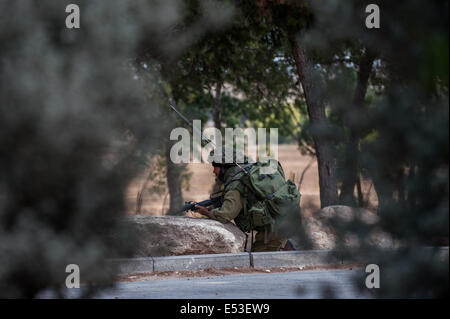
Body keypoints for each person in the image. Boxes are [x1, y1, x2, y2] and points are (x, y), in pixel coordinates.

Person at [194, 154, 288, 252]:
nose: (214, 171)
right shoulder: (247, 174)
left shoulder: (236, 183)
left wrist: (205, 212)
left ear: (223, 168)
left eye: (215, 167)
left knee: (262, 260)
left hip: (273, 230)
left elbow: (225, 215)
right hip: (283, 221)